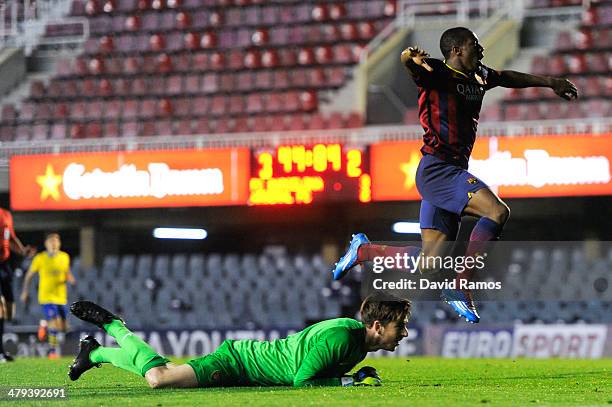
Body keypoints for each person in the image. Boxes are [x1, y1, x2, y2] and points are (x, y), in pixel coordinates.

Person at [332, 27, 578, 323]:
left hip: (451, 171)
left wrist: (550, 82)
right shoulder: (435, 72)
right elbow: (408, 62)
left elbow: (508, 77)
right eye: (475, 44)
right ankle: (462, 284)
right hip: (438, 169)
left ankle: (365, 250)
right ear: (458, 50)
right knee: (497, 211)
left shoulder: (480, 76)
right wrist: (409, 55)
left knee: (428, 263)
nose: (481, 49)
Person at [68, 293, 411, 388]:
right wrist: (350, 381)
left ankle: (95, 353)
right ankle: (114, 327)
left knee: (167, 369)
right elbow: (302, 381)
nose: (405, 334)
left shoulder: (354, 340)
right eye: (401, 326)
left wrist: (354, 375)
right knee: (159, 378)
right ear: (378, 326)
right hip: (239, 363)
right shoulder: (342, 338)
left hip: (246, 365)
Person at [21, 233, 75, 359]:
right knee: (54, 322)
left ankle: (44, 324)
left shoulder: (64, 257)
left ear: (59, 243)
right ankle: (52, 352)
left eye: (56, 240)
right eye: (51, 241)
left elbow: (67, 272)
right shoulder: (40, 258)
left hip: (61, 297)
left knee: (64, 327)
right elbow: (29, 275)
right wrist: (25, 291)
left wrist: (71, 279)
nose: (54, 243)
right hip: (46, 297)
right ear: (46, 244)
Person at [0, 207, 33, 362]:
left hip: (5, 265)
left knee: (8, 311)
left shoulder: (6, 215)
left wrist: (22, 250)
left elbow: (10, 238)